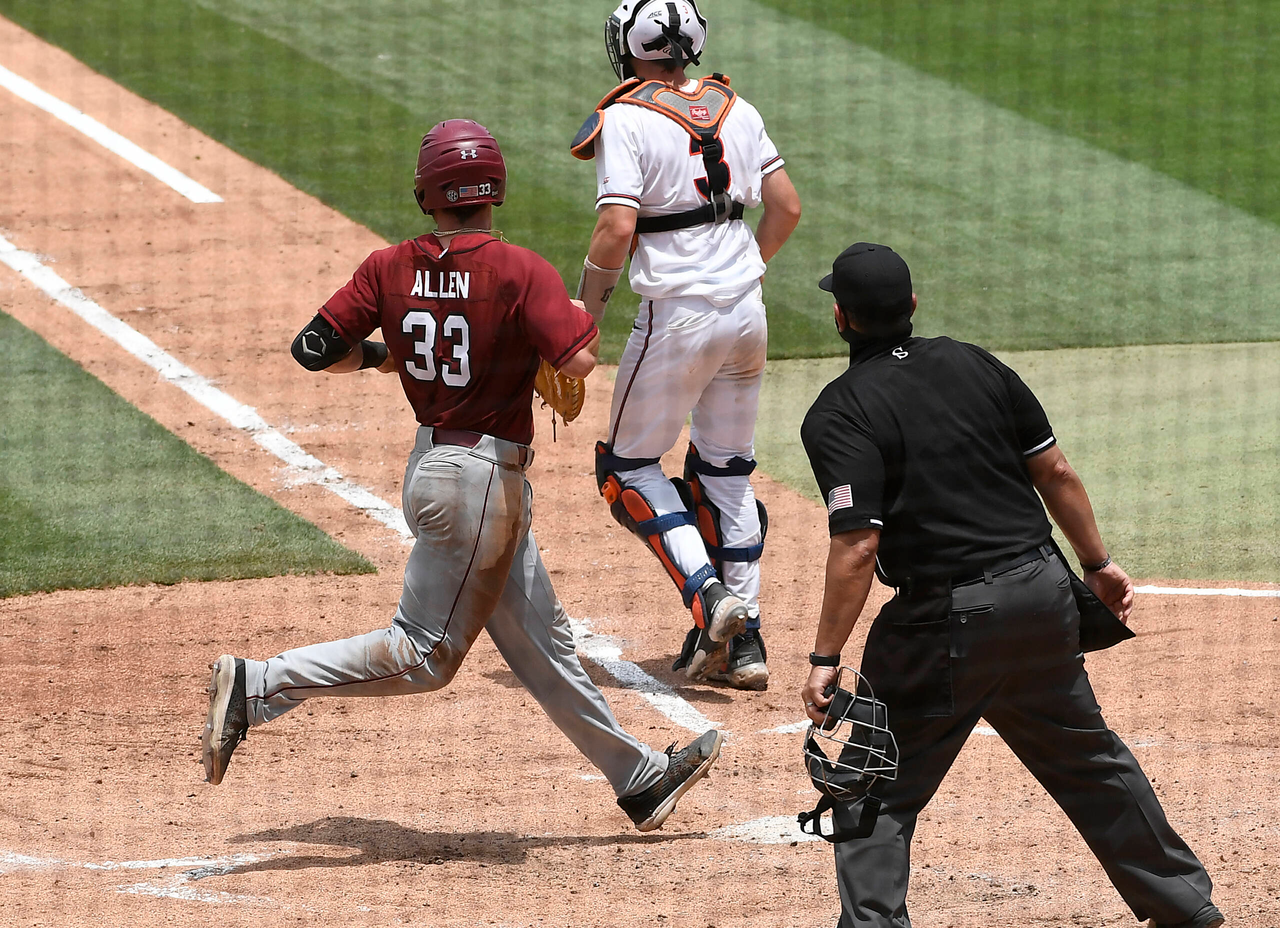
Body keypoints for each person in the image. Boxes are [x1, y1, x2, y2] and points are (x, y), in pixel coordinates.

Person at [201, 119, 723, 834]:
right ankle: (259, 684)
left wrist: (391, 356)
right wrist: (550, 332)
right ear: (494, 190)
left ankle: (637, 779)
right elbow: (576, 362)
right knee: (425, 655)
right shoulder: (520, 270)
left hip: (438, 470)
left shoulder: (387, 267)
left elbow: (314, 349)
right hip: (481, 483)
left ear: (428, 192)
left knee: (544, 642)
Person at [798, 242, 1224, 928]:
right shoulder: (976, 362)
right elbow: (1053, 471)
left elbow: (858, 545)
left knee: (875, 784)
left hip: (943, 626)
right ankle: (1185, 905)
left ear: (841, 318)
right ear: (911, 306)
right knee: (1089, 761)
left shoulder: (839, 411)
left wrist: (824, 659)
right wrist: (1097, 562)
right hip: (1042, 595)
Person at [570, 0, 802, 690]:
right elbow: (786, 207)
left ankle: (708, 598)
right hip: (748, 315)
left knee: (627, 469)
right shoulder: (739, 109)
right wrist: (747, 270)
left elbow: (616, 230)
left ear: (629, 49)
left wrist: (586, 315)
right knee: (726, 472)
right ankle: (747, 644)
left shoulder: (627, 119)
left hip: (676, 319)